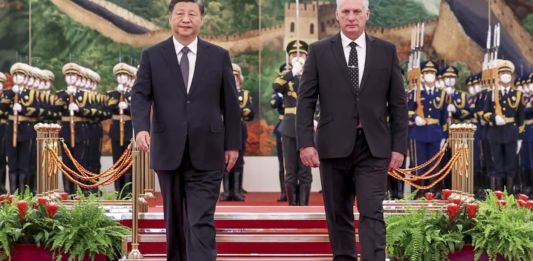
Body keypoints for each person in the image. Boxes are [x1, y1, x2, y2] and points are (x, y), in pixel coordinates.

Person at [296, 0, 408, 260]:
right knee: (338, 214)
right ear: (337, 15)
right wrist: (305, 142)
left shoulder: (386, 51)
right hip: (332, 146)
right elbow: (305, 101)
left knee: (372, 211)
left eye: (357, 11)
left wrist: (398, 147)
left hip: (374, 147)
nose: (351, 17)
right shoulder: (319, 51)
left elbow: (399, 104)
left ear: (367, 15)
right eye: (345, 12)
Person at [131, 0, 241, 260]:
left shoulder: (218, 55)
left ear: (201, 19)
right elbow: (140, 96)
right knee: (176, 222)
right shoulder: (152, 56)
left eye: (192, 13)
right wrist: (141, 128)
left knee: (200, 221)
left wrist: (233, 144)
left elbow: (231, 104)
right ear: (170, 17)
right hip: (168, 149)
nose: (186, 18)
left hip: (209, 150)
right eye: (180, 13)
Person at [273, 40, 313, 206]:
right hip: (289, 125)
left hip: (308, 126)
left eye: (302, 55)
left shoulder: (312, 75)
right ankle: (292, 207)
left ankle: (304, 207)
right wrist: (292, 72)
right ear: (289, 58)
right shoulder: (285, 77)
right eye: (294, 55)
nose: (298, 58)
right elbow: (276, 86)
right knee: (290, 169)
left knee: (305, 170)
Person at [483, 59, 524, 193]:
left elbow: (520, 118)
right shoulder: (491, 94)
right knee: (498, 165)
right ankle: (499, 196)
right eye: (503, 73)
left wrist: (520, 137)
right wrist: (494, 118)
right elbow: (485, 113)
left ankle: (510, 195)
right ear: (498, 76)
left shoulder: (517, 95)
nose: (506, 76)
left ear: (511, 76)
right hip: (495, 133)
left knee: (511, 165)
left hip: (511, 133)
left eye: (508, 73)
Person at [219, 63, 254, 201]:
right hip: (223, 128)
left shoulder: (244, 94)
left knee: (238, 161)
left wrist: (238, 111)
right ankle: (227, 191)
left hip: (239, 128)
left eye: (236, 76)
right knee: (224, 160)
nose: (233, 79)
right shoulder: (220, 92)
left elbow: (250, 113)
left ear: (240, 78)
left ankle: (237, 191)